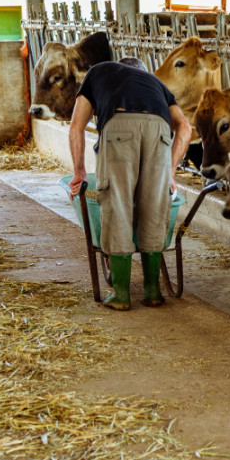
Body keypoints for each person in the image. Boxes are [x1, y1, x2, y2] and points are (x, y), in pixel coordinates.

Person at [68, 57, 192, 310]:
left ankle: (121, 294)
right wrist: (169, 172)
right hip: (159, 131)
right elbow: (185, 127)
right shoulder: (156, 83)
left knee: (117, 203)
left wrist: (79, 172)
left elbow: (76, 126)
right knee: (154, 206)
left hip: (119, 126)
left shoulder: (98, 71)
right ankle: (152, 291)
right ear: (141, 72)